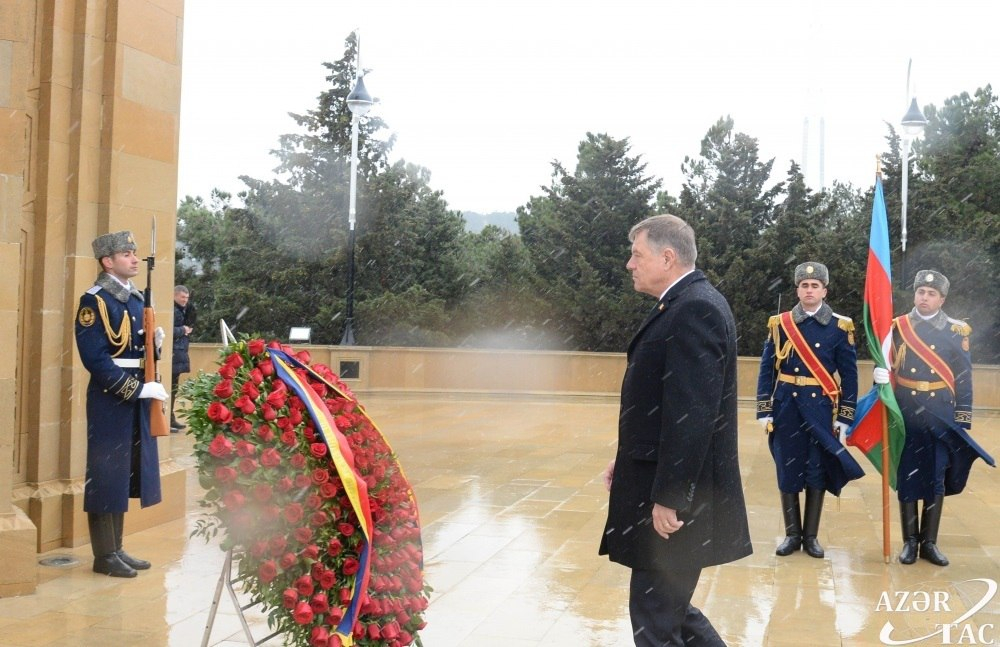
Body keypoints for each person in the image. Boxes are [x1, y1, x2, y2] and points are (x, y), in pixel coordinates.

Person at [599, 214, 751, 647]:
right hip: (672, 485)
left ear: (667, 257)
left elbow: (693, 413)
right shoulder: (681, 303)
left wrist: (671, 495)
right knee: (672, 610)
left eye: (637, 254)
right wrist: (628, 456)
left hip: (680, 501)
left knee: (655, 620)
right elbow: (664, 407)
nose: (630, 264)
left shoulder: (694, 308)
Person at [873, 270, 995, 566]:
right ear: (914, 295)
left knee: (935, 476)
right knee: (907, 475)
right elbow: (887, 365)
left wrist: (962, 419)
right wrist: (879, 380)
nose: (924, 298)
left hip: (940, 412)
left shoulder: (955, 331)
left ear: (942, 299)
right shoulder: (898, 327)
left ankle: (929, 542)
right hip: (906, 412)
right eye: (920, 292)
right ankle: (909, 542)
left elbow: (964, 378)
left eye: (931, 294)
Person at [756, 262, 864, 559]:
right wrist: (764, 409)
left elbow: (850, 376)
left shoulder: (840, 327)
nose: (809, 290)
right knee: (787, 467)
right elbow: (767, 370)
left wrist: (845, 415)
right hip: (786, 406)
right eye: (804, 285)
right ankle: (792, 535)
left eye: (815, 285)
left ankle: (811, 537)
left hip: (820, 408)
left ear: (824, 291)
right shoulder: (780, 324)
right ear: (797, 290)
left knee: (816, 468)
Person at [74, 231, 166, 578]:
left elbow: (137, 351)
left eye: (135, 252)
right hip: (110, 397)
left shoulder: (135, 299)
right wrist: (134, 389)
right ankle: (104, 555)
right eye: (126, 253)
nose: (134, 258)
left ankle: (117, 547)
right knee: (105, 473)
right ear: (107, 261)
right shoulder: (94, 301)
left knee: (125, 469)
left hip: (136, 392)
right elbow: (96, 358)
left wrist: (154, 344)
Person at [171, 285, 194, 431]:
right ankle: (166, 419)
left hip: (178, 354)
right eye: (182, 297)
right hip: (173, 354)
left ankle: (170, 418)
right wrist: (183, 330)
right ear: (175, 295)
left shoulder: (183, 310)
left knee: (174, 389)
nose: (185, 300)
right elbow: (166, 329)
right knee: (169, 389)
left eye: (187, 298)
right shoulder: (172, 310)